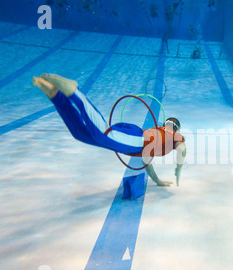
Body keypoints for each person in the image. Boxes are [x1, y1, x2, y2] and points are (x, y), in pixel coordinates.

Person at [33, 74, 186, 187]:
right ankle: (75, 92)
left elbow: (147, 162)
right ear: (176, 128)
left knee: (81, 134)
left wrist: (158, 181)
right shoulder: (175, 136)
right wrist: (179, 168)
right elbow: (182, 149)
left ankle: (55, 95)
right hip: (138, 139)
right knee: (102, 133)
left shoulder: (159, 132)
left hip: (135, 136)